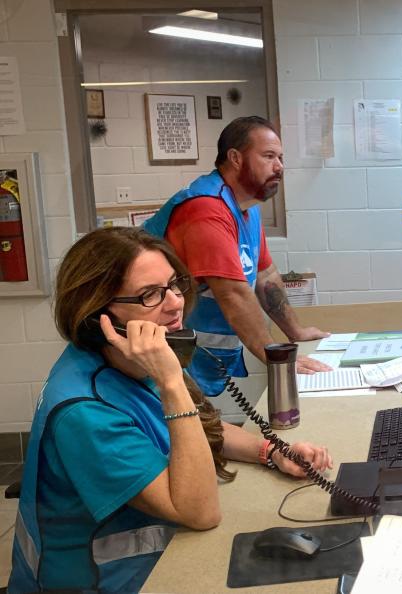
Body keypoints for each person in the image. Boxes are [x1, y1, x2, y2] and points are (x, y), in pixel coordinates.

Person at [7, 228, 333, 593]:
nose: (176, 302)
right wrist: (172, 382)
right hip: (107, 584)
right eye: (150, 294)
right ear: (98, 315)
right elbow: (199, 512)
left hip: (154, 566)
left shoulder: (126, 357)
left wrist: (270, 451)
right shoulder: (85, 412)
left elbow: (194, 429)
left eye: (174, 284)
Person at [143, 116, 329, 399]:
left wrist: (296, 331)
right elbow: (232, 293)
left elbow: (265, 276)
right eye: (268, 156)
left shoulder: (246, 207)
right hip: (160, 350)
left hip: (195, 350)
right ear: (235, 158)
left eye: (281, 157)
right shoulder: (206, 208)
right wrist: (276, 358)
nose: (279, 166)